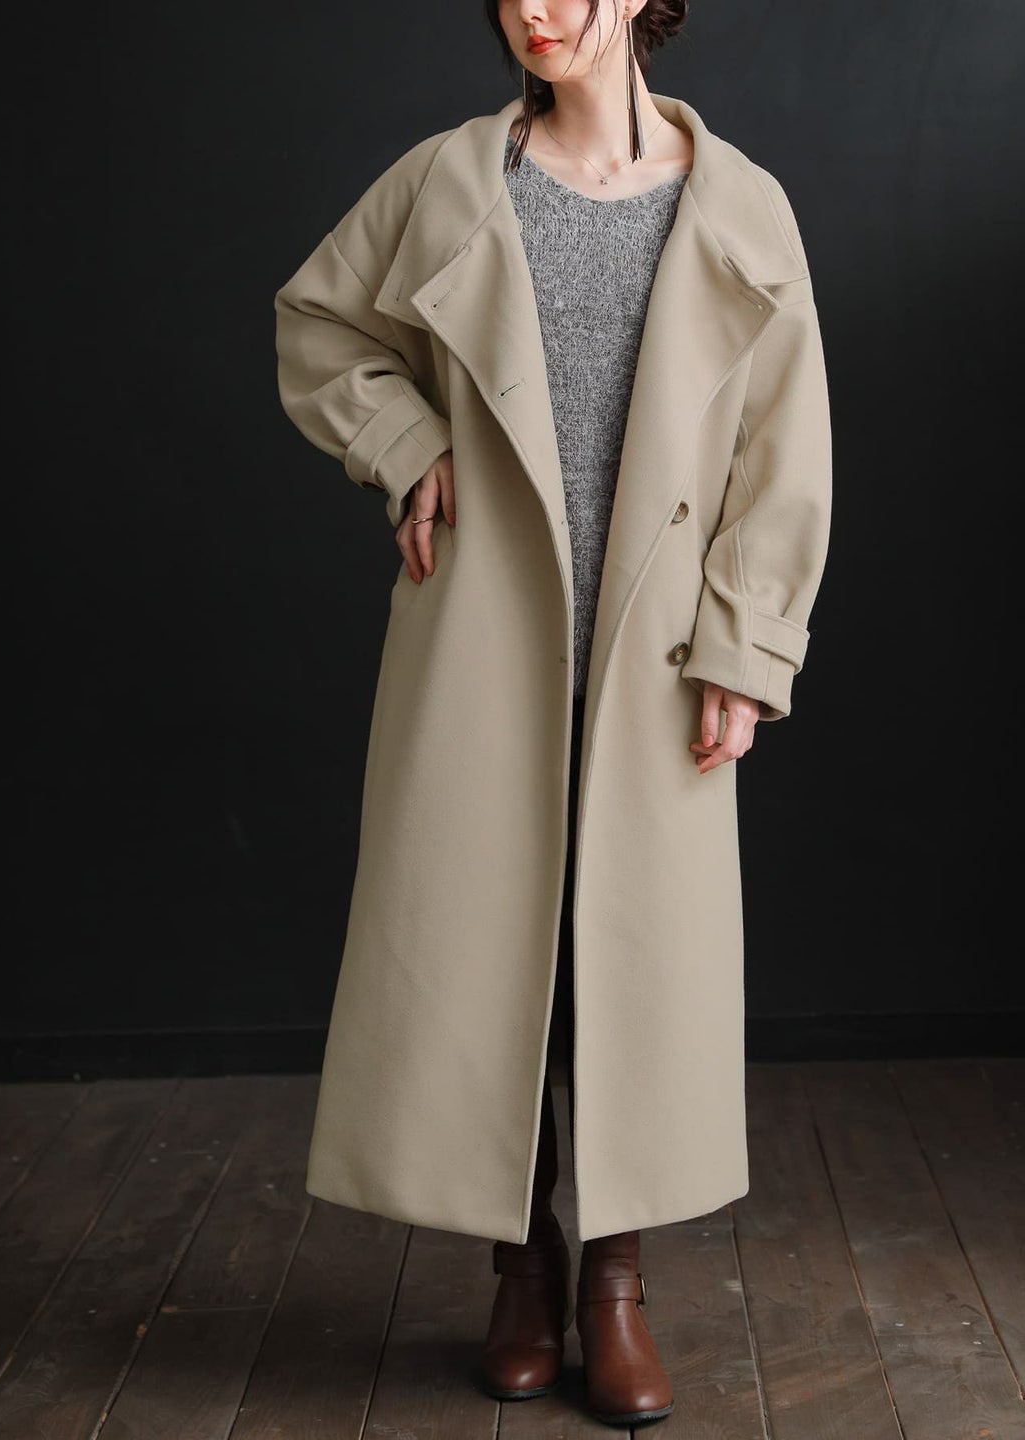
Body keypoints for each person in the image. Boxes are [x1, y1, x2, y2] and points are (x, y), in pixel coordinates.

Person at [274, 0, 832, 1426]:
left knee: (628, 968)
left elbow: (787, 451)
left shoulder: (741, 206)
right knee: (490, 961)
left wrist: (748, 648)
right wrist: (404, 441)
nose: (535, 6)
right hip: (483, 644)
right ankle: (522, 1272)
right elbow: (317, 320)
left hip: (659, 655)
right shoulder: (453, 179)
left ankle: (616, 1289)